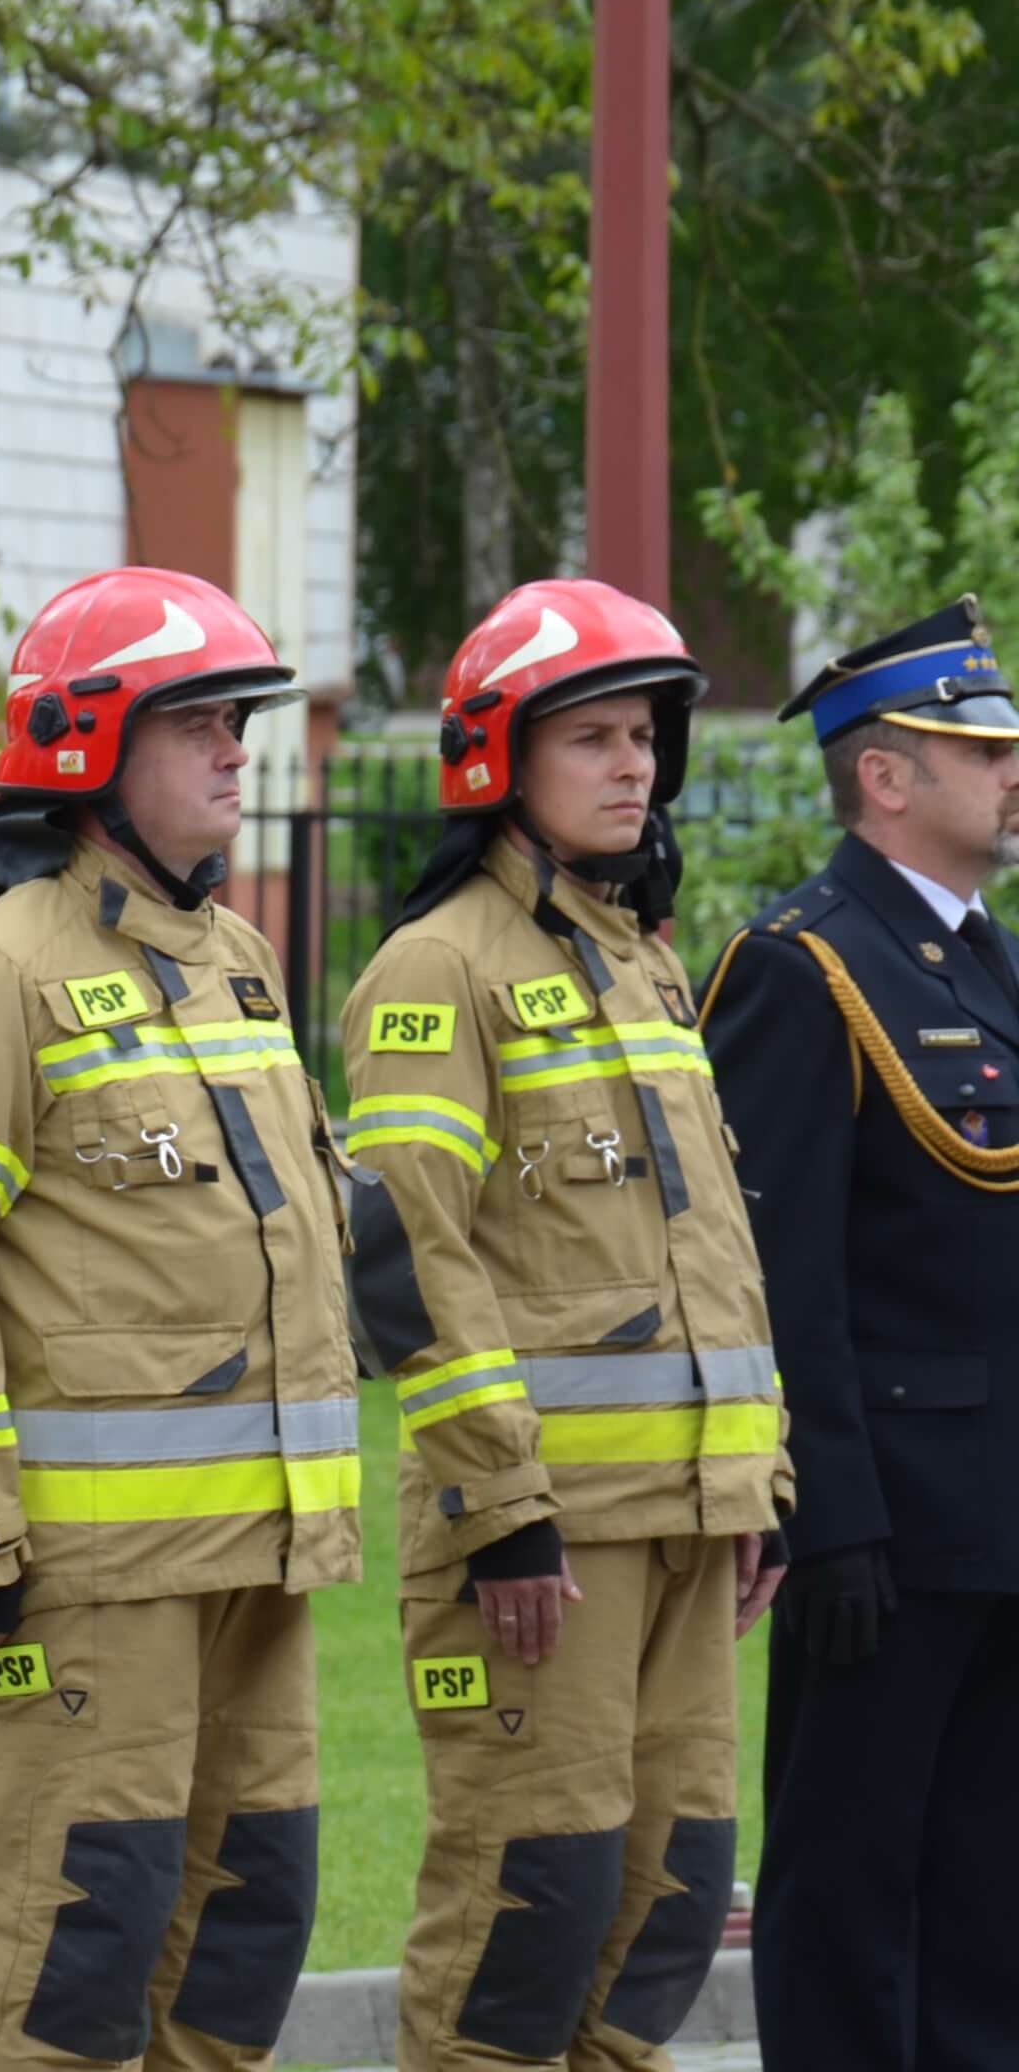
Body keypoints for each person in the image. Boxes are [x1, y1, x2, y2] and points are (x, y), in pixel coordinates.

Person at [0, 567, 358, 2072]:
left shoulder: (240, 964)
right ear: (87, 749)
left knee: (247, 1927)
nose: (236, 752)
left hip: (264, 1554)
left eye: (239, 723)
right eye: (199, 722)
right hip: (94, 1576)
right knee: (77, 1940)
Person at [337, 580, 785, 2070]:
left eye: (645, 736)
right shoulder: (436, 969)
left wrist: (757, 1481)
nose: (632, 765)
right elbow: (410, 1257)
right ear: (497, 762)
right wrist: (503, 1508)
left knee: (660, 1910)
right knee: (530, 1910)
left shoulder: (642, 959)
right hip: (541, 1545)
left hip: (686, 1520)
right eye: (592, 736)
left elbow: (709, 1245)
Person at [701, 596, 1019, 2069]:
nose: (1014, 769)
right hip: (886, 1528)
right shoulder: (801, 968)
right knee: (846, 1895)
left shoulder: (986, 962)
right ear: (884, 775)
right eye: (981, 747)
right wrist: (826, 1519)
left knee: (985, 1903)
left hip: (999, 1511)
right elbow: (782, 1272)